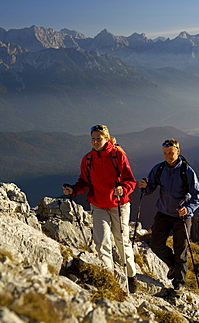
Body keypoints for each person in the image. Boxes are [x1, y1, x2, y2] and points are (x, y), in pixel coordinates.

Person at [63, 124, 138, 293]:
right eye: (93, 139)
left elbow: (130, 180)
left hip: (119, 204)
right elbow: (84, 181)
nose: (95, 142)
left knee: (121, 240)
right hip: (98, 205)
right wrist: (73, 190)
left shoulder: (117, 155)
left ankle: (131, 276)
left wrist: (123, 189)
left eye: (99, 138)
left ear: (107, 139)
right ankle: (109, 279)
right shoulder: (88, 159)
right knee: (102, 242)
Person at [138, 138, 199, 297]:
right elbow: (151, 186)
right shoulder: (159, 169)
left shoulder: (187, 171)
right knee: (155, 245)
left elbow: (198, 196)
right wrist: (145, 187)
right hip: (163, 214)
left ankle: (179, 285)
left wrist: (187, 209)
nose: (168, 156)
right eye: (165, 153)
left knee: (180, 250)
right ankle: (173, 266)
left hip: (182, 216)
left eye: (171, 153)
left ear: (178, 152)